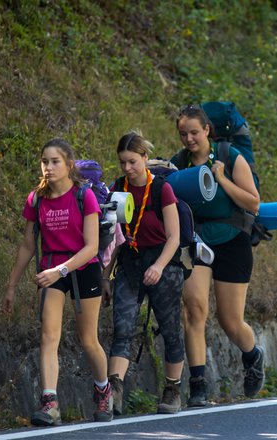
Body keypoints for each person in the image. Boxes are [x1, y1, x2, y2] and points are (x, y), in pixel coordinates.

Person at [2, 138, 112, 426]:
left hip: (83, 269)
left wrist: (60, 271)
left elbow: (91, 247)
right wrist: (12, 286)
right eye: (44, 162)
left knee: (89, 340)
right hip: (50, 270)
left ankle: (103, 390)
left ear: (69, 165)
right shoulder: (36, 199)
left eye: (55, 162)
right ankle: (49, 403)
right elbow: (28, 245)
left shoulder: (84, 196)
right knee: (48, 337)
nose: (48, 167)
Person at [173, 104, 264, 406]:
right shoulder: (179, 163)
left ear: (207, 130)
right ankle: (198, 384)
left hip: (232, 240)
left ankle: (252, 357)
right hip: (198, 242)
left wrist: (222, 179)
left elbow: (253, 203)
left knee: (231, 321)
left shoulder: (230, 157)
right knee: (194, 310)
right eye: (183, 134)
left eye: (194, 132)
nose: (189, 139)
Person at [102, 131, 186, 415]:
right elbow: (115, 236)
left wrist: (159, 267)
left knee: (171, 329)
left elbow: (174, 237)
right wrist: (106, 276)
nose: (127, 168)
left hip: (163, 262)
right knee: (123, 328)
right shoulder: (118, 188)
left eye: (133, 161)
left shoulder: (162, 189)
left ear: (145, 159)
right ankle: (114, 390)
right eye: (123, 162)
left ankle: (172, 389)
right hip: (130, 262)